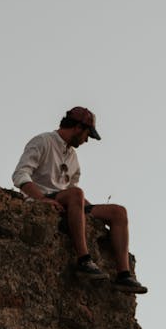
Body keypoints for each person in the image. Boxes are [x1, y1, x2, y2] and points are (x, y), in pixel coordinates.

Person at [12, 106, 147, 294]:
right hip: (41, 197)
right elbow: (20, 174)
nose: (86, 140)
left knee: (118, 212)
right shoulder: (43, 141)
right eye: (87, 135)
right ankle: (84, 260)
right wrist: (41, 198)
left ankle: (123, 275)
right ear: (78, 128)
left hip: (69, 201)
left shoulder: (73, 157)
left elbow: (73, 190)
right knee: (76, 193)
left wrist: (92, 209)